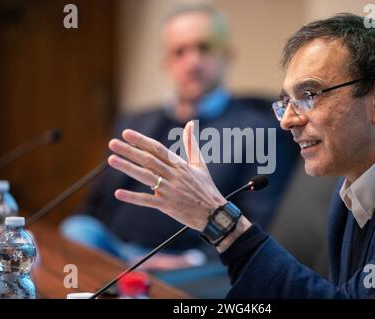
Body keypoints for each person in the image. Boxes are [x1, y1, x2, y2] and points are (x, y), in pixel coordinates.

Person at [107, 13, 375, 298]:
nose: (287, 121)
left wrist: (219, 220)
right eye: (286, 102)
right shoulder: (354, 182)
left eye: (309, 94)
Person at [60, 4, 296, 278]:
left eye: (204, 48)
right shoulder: (135, 122)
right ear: (166, 62)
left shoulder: (258, 127)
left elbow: (259, 222)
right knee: (77, 229)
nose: (193, 61)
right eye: (180, 51)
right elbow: (96, 205)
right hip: (114, 250)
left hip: (186, 261)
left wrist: (193, 259)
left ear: (227, 56)